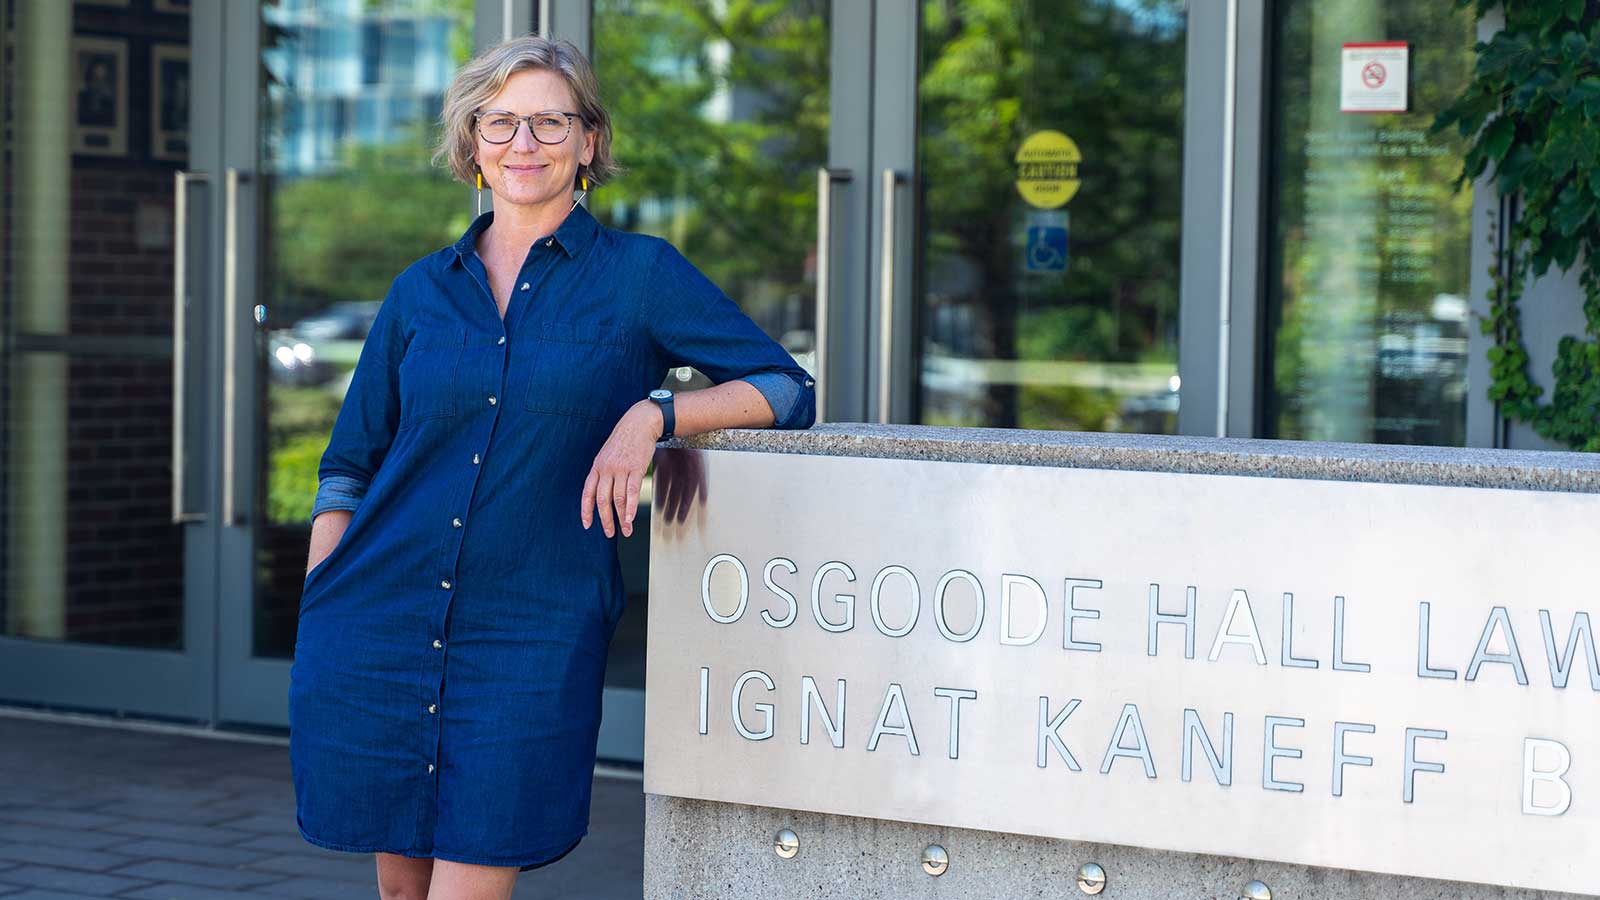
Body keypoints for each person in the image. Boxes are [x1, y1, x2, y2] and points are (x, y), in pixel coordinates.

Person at [288, 34, 815, 900]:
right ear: (471, 147)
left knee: (468, 885)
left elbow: (785, 389)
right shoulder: (422, 289)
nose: (522, 144)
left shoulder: (640, 276)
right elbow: (350, 463)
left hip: (529, 627)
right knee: (399, 890)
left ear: (588, 143)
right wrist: (322, 605)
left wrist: (655, 414)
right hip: (380, 612)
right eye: (499, 124)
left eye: (547, 123)